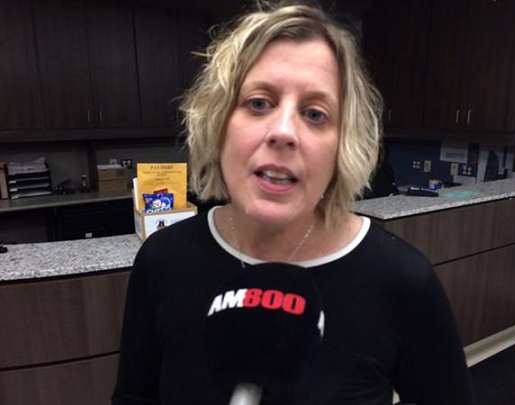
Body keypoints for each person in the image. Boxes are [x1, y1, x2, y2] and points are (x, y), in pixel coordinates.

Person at [112, 2, 476, 404]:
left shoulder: (403, 280)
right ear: (218, 123)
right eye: (259, 103)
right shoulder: (162, 261)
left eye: (315, 114)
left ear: (342, 144)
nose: (284, 131)